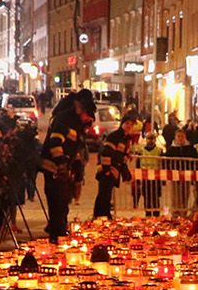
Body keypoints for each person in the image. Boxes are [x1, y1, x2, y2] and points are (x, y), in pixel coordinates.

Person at [38, 90, 92, 241]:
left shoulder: (76, 124)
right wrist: (61, 163)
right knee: (58, 202)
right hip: (54, 168)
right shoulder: (65, 121)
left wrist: (77, 174)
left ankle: (59, 230)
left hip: (63, 170)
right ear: (80, 109)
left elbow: (76, 152)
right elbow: (55, 143)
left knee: (63, 201)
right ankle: (57, 234)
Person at [91, 115, 138, 220]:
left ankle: (102, 215)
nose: (129, 126)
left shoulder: (125, 139)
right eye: (127, 124)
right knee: (104, 194)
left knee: (106, 193)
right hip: (108, 169)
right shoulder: (115, 136)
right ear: (122, 124)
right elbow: (106, 152)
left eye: (131, 125)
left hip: (114, 169)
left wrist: (126, 156)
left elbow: (121, 155)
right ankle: (101, 215)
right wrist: (107, 169)